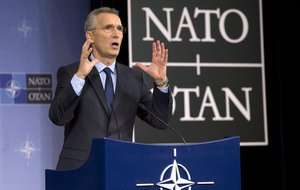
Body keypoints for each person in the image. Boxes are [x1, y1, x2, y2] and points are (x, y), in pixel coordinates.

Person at [48, 7, 173, 170]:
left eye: (120, 29)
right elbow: (58, 117)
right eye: (108, 28)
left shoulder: (133, 78)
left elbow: (160, 121)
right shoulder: (71, 73)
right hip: (79, 170)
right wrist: (80, 76)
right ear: (90, 36)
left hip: (121, 169)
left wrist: (161, 82)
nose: (116, 34)